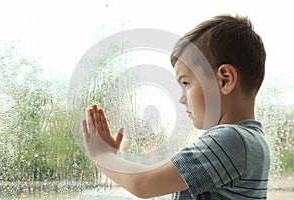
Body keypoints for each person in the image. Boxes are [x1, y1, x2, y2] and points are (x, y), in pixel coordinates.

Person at [81, 14, 270, 199]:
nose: (182, 98)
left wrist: (103, 155)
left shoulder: (231, 140)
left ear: (224, 80)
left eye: (186, 83)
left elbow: (144, 184)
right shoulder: (252, 142)